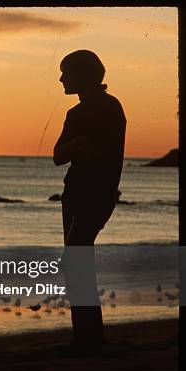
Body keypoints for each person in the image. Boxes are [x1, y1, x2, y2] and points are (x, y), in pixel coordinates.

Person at [53, 50, 126, 354]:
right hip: (74, 194)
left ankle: (88, 337)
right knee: (77, 262)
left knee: (75, 259)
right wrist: (77, 144)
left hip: (97, 195)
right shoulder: (75, 113)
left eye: (65, 73)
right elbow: (58, 155)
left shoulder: (110, 108)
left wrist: (84, 147)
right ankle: (86, 335)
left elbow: (109, 158)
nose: (61, 79)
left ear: (83, 74)